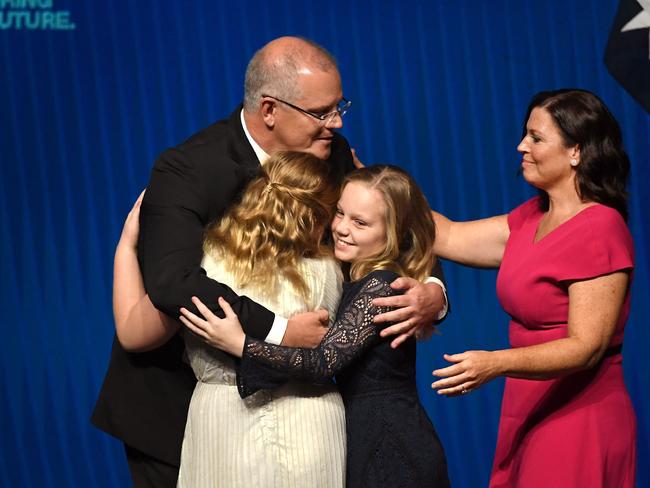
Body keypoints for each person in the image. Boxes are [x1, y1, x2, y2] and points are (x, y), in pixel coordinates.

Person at [92, 36, 448, 487]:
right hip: (180, 409)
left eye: (341, 107)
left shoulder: (332, 153)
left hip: (306, 415)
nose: (336, 123)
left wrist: (432, 292)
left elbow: (392, 224)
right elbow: (172, 284)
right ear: (269, 111)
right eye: (322, 113)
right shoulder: (187, 170)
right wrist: (281, 330)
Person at [181, 165, 451, 488]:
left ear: (392, 234)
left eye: (360, 223)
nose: (341, 228)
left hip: (391, 445)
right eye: (339, 213)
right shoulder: (357, 277)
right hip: (368, 435)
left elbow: (322, 362)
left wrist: (240, 343)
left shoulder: (380, 286)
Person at [430, 89, 636, 487]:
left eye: (536, 138)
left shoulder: (599, 227)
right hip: (529, 405)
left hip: (579, 416)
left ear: (576, 151)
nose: (521, 145)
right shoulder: (531, 219)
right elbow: (448, 235)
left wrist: (496, 362)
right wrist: (365, 181)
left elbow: (586, 346)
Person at [115, 152, 348, 487]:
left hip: (223, 423)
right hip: (310, 421)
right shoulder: (329, 272)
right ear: (315, 218)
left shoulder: (201, 269)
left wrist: (126, 246)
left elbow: (133, 334)